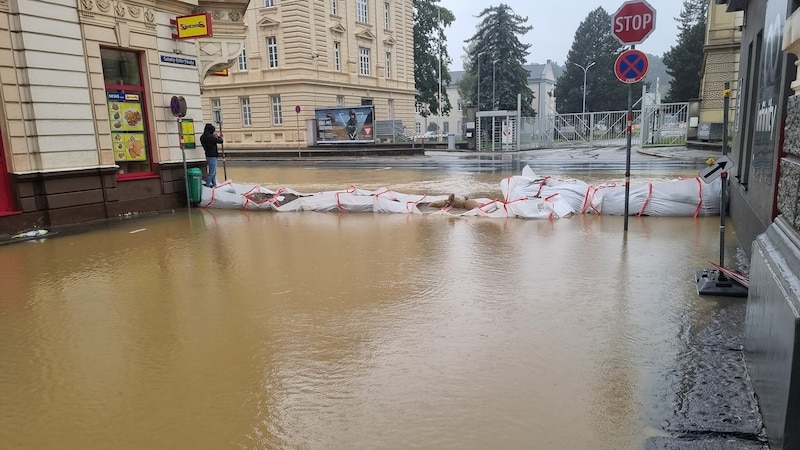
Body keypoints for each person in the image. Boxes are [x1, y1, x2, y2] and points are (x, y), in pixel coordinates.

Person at [200, 123, 223, 187]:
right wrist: (218, 136)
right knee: (212, 173)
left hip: (207, 155)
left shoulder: (202, 137)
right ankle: (207, 186)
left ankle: (214, 184)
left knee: (213, 172)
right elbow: (221, 141)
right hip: (213, 156)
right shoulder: (211, 137)